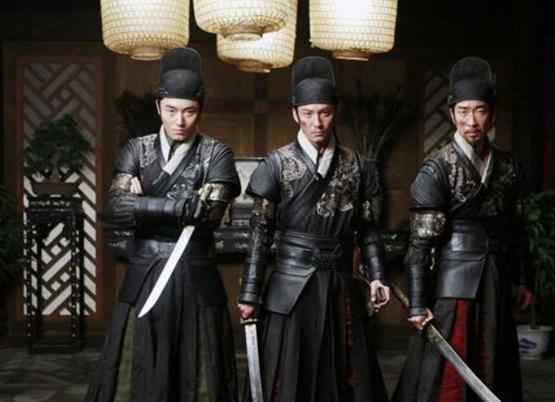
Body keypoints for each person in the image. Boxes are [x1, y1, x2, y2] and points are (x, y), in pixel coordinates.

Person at [85, 47, 241, 402]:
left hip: (196, 273)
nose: (180, 120)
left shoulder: (217, 153)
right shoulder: (137, 150)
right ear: (158, 107)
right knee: (137, 366)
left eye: (189, 111)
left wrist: (143, 204)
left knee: (199, 371)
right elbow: (114, 208)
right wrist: (180, 206)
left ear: (200, 109)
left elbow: (209, 214)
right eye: (171, 110)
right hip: (145, 272)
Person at [236, 56, 391, 402]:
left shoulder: (358, 166)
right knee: (288, 373)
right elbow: (260, 234)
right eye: (307, 113)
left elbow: (368, 229)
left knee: (347, 372)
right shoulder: (276, 164)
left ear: (336, 112)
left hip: (340, 283)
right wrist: (249, 293)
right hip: (291, 283)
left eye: (324, 113)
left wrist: (378, 276)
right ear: (295, 113)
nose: (316, 122)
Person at [392, 56, 532, 402]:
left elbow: (517, 229)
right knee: (448, 370)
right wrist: (417, 302)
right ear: (452, 114)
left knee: (495, 359)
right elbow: (419, 244)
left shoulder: (508, 166)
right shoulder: (437, 169)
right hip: (452, 280)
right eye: (464, 111)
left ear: (492, 114)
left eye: (480, 110)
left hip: (497, 275)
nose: (472, 120)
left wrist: (523, 280)